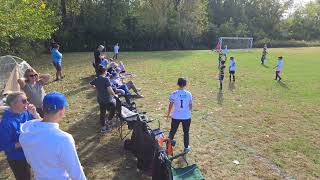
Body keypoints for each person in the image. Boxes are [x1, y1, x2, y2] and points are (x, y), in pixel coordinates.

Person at [19, 92, 87, 180]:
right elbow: (76, 173)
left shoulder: (25, 133)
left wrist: (36, 115)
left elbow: (43, 125)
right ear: (62, 111)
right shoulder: (63, 139)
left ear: (43, 108)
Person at [0, 92, 41, 180]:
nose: (27, 103)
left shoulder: (26, 113)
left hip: (31, 152)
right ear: (13, 104)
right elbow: (5, 146)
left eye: (27, 100)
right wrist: (23, 142)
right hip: (18, 159)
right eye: (24, 101)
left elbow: (43, 126)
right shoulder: (6, 123)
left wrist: (35, 113)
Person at [167, 78, 193, 152]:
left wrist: (168, 114)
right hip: (186, 116)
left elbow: (170, 105)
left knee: (172, 131)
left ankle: (168, 145)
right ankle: (186, 147)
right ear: (185, 84)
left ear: (177, 84)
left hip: (176, 116)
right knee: (186, 132)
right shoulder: (189, 94)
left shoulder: (174, 93)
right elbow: (190, 106)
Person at [90, 65, 118, 133]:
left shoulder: (97, 78)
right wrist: (115, 95)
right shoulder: (106, 79)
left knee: (102, 113)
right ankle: (109, 120)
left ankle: (103, 127)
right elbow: (109, 89)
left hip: (100, 99)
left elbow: (91, 84)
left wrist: (95, 87)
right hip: (107, 99)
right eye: (106, 71)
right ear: (105, 71)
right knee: (114, 106)